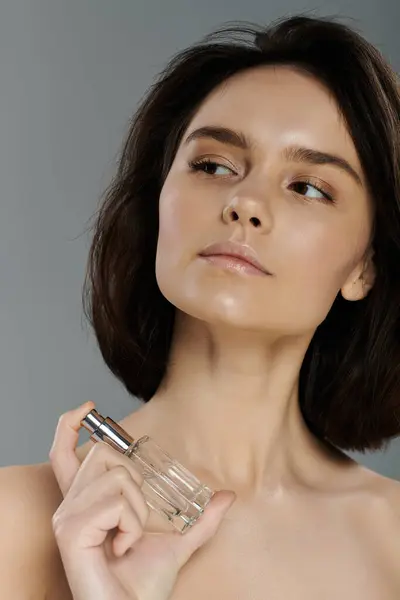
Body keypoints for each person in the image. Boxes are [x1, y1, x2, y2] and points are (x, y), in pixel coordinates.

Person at [1, 13, 400, 600]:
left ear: (365, 266)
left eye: (308, 187)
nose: (245, 203)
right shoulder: (14, 525)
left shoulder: (392, 537)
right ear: (159, 199)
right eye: (213, 166)